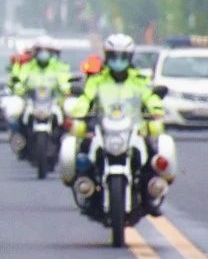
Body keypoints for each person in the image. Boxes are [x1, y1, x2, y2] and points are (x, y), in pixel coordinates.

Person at [70, 33, 168, 215]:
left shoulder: (138, 80)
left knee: (152, 156)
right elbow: (86, 97)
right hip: (104, 128)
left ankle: (149, 197)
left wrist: (156, 109)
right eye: (114, 56)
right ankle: (87, 191)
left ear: (130, 57)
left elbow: (150, 97)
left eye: (123, 56)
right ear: (107, 56)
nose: (118, 60)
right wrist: (79, 111)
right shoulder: (97, 80)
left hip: (133, 129)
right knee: (83, 152)